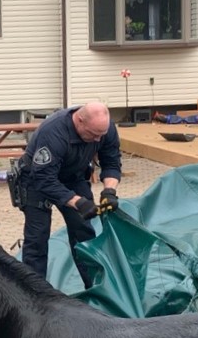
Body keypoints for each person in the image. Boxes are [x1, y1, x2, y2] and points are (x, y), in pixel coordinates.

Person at [12, 102, 122, 287]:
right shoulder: (53, 132)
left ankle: (95, 286)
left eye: (100, 135)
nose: (97, 140)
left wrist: (109, 191)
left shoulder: (104, 128)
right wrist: (78, 202)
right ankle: (34, 293)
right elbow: (44, 179)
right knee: (37, 238)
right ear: (79, 120)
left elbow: (111, 161)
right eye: (93, 134)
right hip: (36, 179)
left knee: (84, 231)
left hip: (73, 176)